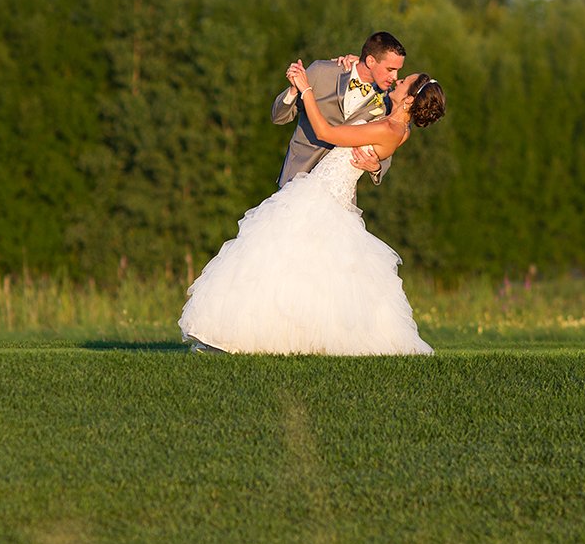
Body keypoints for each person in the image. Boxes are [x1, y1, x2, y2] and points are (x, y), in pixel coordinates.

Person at [178, 61, 446, 355]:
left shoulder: (388, 126)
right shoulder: (396, 125)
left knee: (275, 261)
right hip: (323, 191)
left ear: (409, 99)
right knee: (295, 268)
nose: (397, 80)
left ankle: (243, 336)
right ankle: (256, 336)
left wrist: (306, 89)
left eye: (404, 79)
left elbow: (327, 133)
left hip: (324, 195)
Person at [272, 31, 407, 198]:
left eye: (397, 71)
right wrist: (294, 89)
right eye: (390, 69)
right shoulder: (322, 71)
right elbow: (278, 117)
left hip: (337, 193)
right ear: (371, 61)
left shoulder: (387, 102)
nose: (395, 77)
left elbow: (387, 142)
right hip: (295, 178)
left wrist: (376, 167)